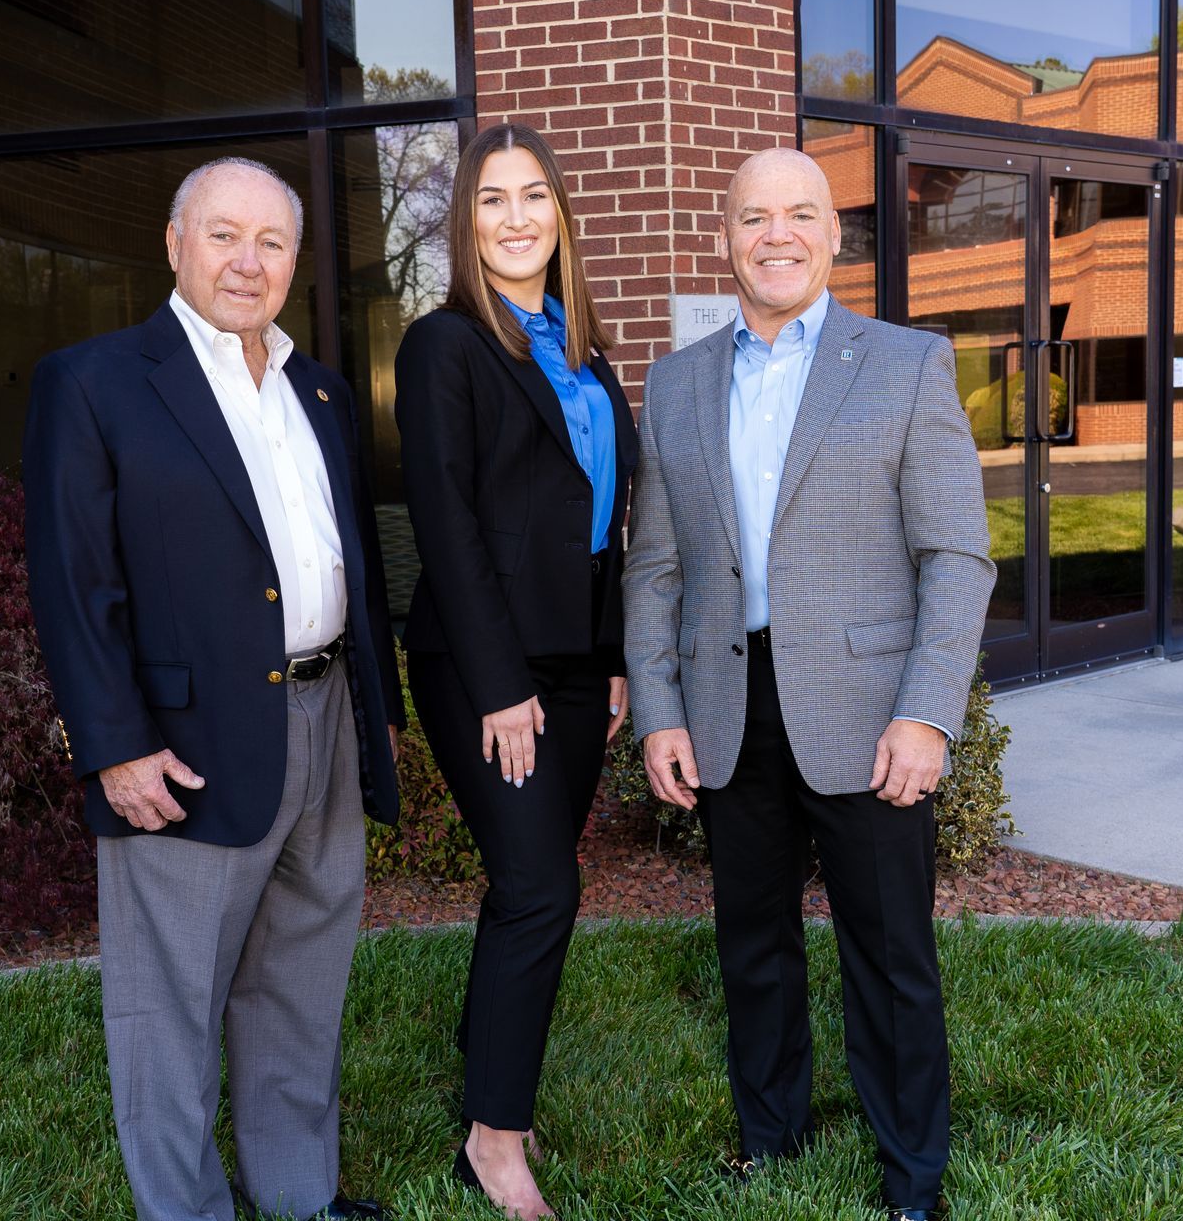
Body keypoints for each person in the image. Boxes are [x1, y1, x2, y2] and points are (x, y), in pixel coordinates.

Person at [23, 156, 403, 1221]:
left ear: (295, 260)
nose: (247, 260)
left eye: (271, 241)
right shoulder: (95, 381)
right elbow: (72, 579)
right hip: (181, 740)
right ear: (174, 243)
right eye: (224, 234)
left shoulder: (319, 388)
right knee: (171, 1001)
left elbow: (353, 560)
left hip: (326, 716)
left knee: (302, 976)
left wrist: (376, 714)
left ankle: (297, 1192)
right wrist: (113, 744)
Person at [622, 147, 994, 1221]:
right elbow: (656, 570)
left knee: (890, 952)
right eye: (753, 217)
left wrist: (927, 712)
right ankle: (771, 1141)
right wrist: (658, 712)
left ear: (836, 234)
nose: (775, 234)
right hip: (728, 708)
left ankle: (911, 1175)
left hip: (869, 712)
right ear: (726, 238)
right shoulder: (677, 382)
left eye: (799, 214)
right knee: (753, 945)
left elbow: (957, 555)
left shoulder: (908, 364)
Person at [393, 121, 636, 1221]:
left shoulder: (583, 350)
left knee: (528, 886)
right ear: (466, 222)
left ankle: (491, 1080)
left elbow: (608, 518)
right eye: (492, 199)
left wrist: (616, 655)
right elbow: (444, 524)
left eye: (534, 194)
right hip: (485, 663)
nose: (516, 217)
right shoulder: (444, 345)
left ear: (560, 212)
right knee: (542, 888)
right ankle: (493, 1142)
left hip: (579, 662)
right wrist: (500, 684)